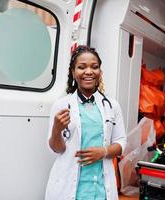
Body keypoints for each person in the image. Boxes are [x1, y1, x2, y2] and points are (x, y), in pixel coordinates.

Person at [45, 45, 126, 200]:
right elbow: (57, 149)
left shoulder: (112, 105)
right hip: (70, 186)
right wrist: (56, 129)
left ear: (100, 72)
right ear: (73, 73)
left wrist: (104, 152)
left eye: (94, 67)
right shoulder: (61, 105)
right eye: (82, 67)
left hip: (101, 188)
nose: (88, 72)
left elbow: (121, 142)